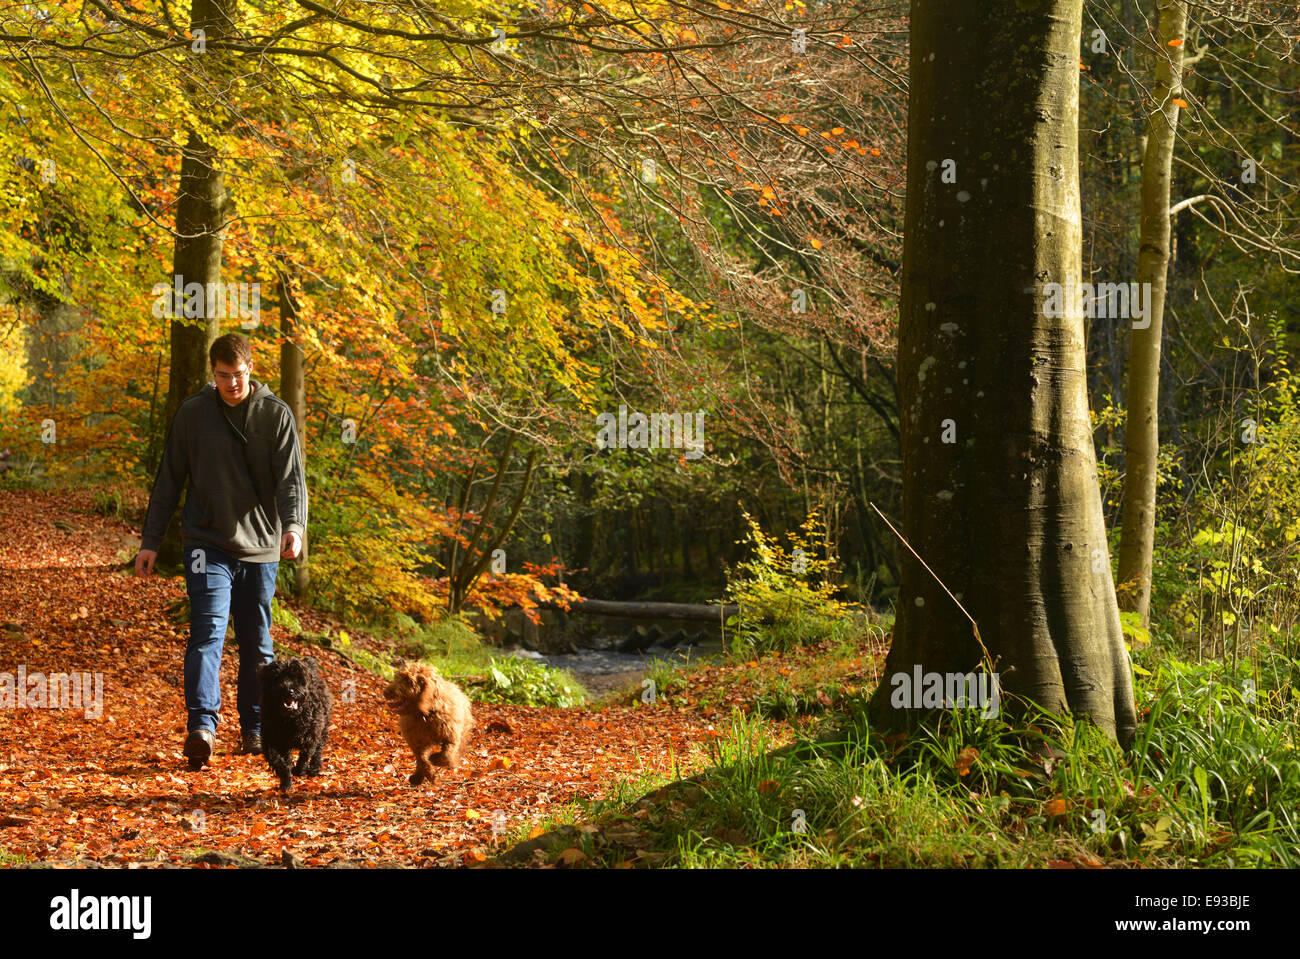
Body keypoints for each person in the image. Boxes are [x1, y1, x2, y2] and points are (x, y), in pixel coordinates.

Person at [136, 333, 308, 769]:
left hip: (262, 547)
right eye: (223, 376)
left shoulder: (275, 415)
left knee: (257, 643)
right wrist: (151, 541)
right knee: (208, 632)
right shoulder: (194, 414)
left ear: (252, 368)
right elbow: (169, 479)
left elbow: (291, 480)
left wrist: (294, 527)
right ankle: (202, 727)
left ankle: (255, 728)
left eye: (238, 375)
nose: (231, 383)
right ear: (212, 374)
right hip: (205, 543)